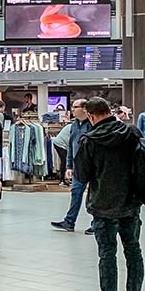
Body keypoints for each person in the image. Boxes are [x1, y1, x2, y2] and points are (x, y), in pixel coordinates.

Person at [74, 97, 145, 291]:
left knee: (107, 254)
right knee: (133, 251)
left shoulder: (90, 140)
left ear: (92, 116)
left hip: (103, 204)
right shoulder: (132, 133)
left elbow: (82, 175)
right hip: (131, 203)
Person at [51, 99, 92, 234]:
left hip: (92, 166)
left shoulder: (93, 124)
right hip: (77, 166)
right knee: (76, 192)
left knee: (92, 195)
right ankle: (69, 221)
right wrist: (69, 166)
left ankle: (96, 223)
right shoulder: (74, 125)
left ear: (84, 108)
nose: (72, 110)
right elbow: (70, 146)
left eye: (75, 107)